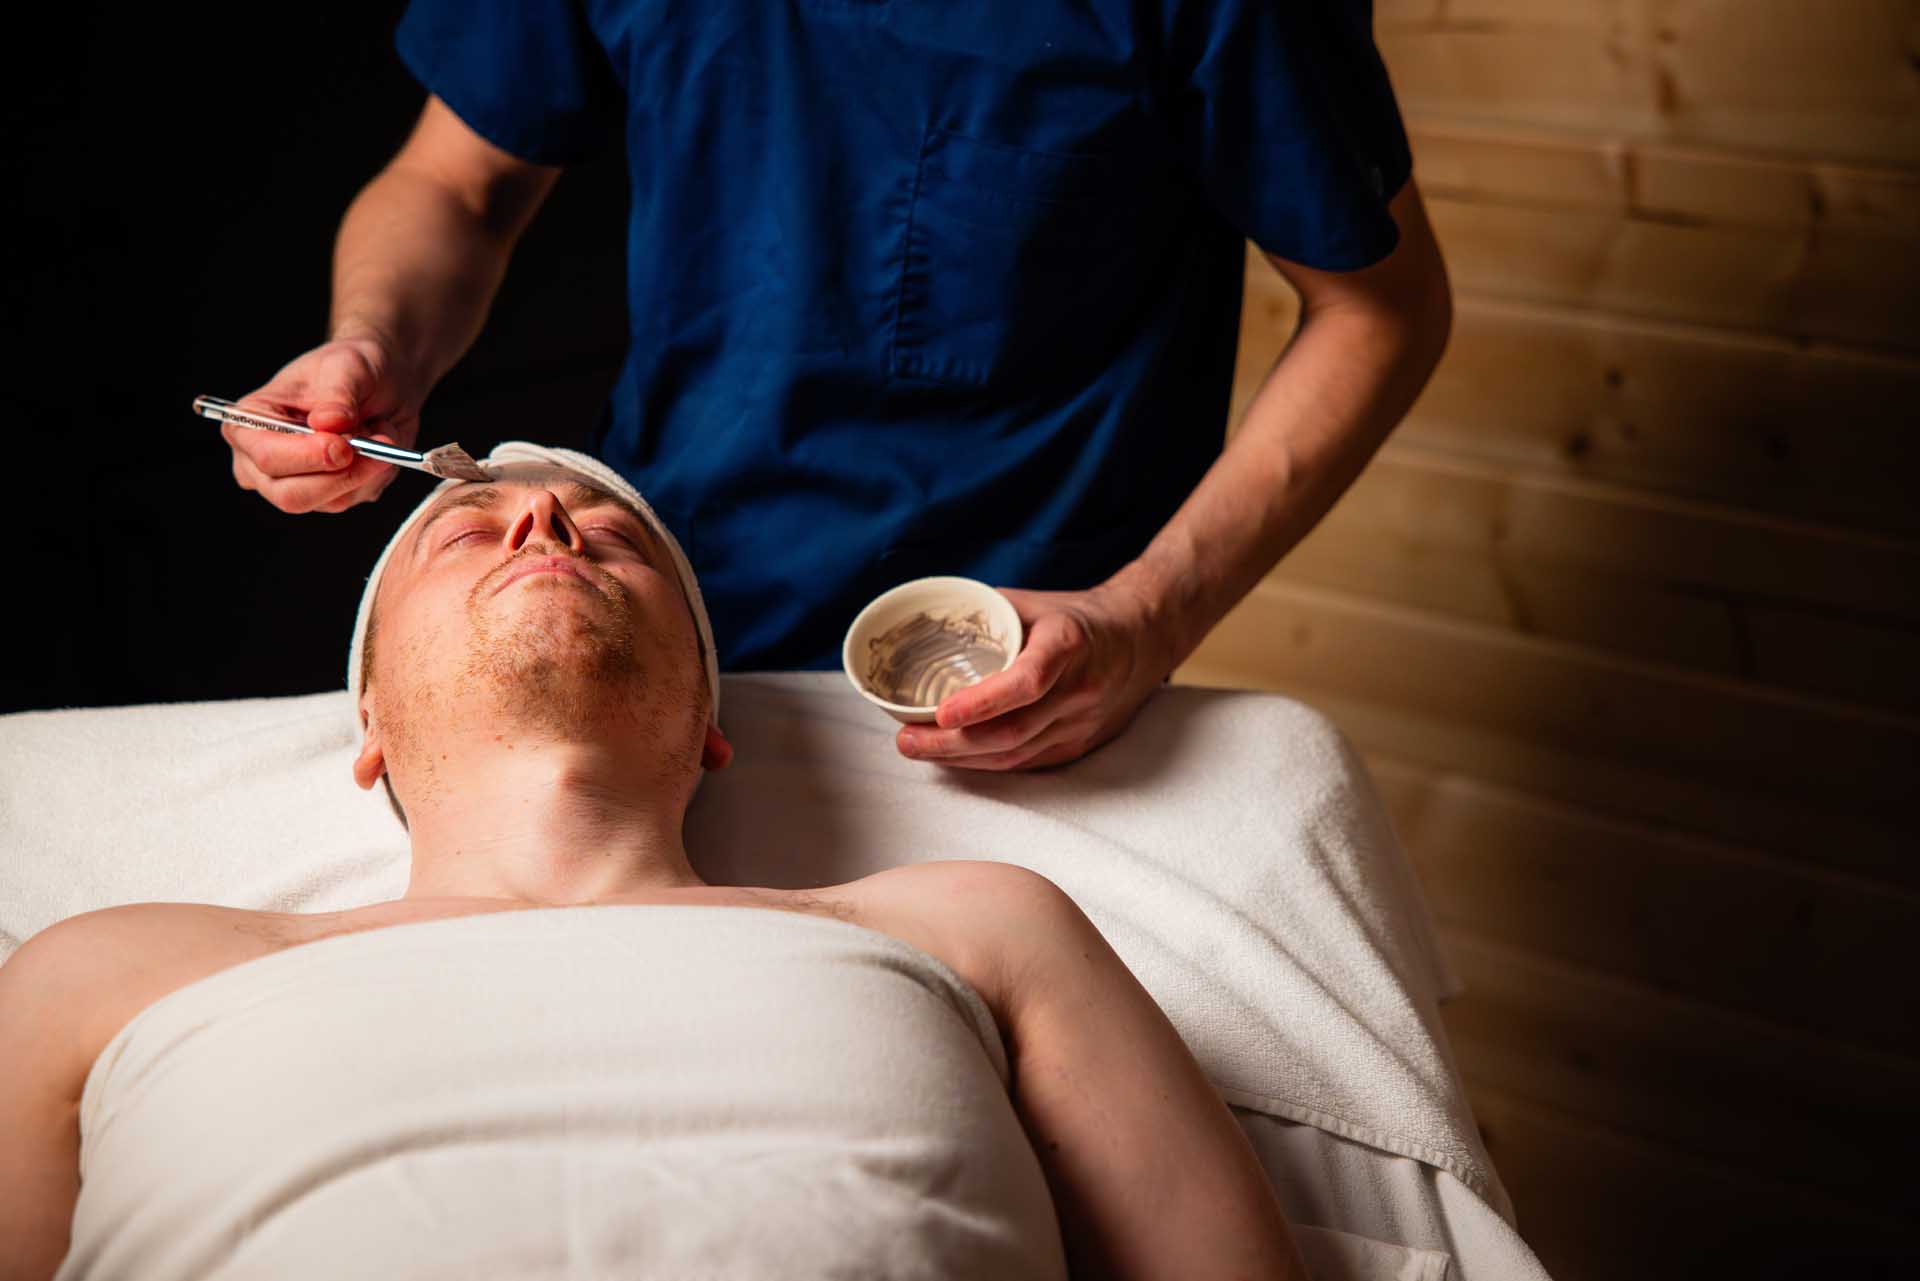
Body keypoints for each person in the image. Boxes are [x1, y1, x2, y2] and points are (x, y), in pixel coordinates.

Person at [0, 451, 1308, 1281]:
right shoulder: (111, 966)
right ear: (369, 723)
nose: (547, 521)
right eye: (467, 529)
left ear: (710, 723)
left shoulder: (976, 923)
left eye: (613, 539)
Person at [216, 1, 1452, 775]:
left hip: (1012, 689)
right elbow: (455, 185)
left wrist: (1147, 619)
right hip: (672, 628)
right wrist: (373, 341)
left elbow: (1380, 313)